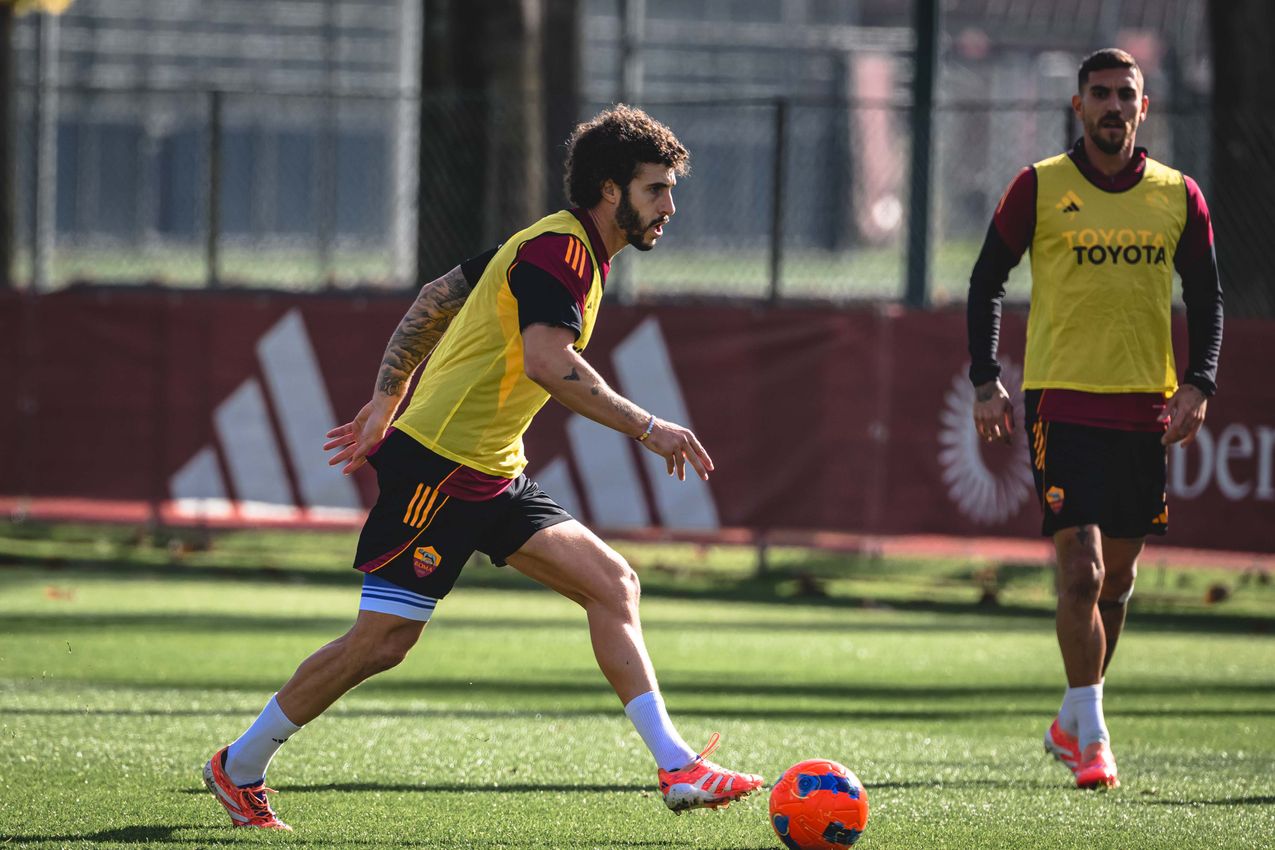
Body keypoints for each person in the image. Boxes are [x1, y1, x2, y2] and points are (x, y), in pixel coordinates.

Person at [202, 105, 763, 830]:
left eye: (668, 189)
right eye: (655, 189)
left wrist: (385, 398)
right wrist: (648, 428)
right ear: (607, 189)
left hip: (488, 469)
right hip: (440, 465)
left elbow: (438, 294)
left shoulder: (558, 247)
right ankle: (238, 766)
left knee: (611, 582)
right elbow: (548, 362)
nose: (668, 207)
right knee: (382, 641)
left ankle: (678, 767)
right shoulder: (560, 252)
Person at [966, 48, 1222, 790]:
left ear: (1145, 109)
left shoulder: (1178, 195)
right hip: (1061, 404)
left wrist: (1198, 384)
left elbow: (1206, 298)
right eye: (1099, 94)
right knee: (1078, 571)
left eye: (1126, 96)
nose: (1113, 106)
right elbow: (987, 279)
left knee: (1116, 581)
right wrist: (986, 380)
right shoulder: (1038, 187)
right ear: (1076, 105)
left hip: (1143, 406)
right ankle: (1095, 740)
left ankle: (1068, 718)